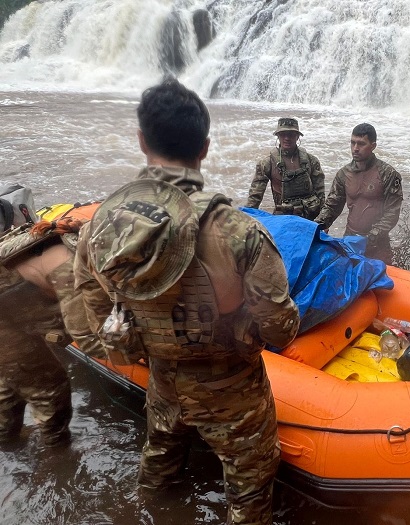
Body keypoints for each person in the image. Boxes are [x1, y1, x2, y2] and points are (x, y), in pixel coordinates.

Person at [73, 79, 300, 525]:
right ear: (206, 148)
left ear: (142, 141)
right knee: (250, 489)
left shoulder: (102, 226)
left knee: (158, 469)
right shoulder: (238, 231)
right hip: (234, 390)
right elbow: (280, 328)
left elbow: (94, 314)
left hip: (161, 381)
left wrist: (146, 347)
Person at [0, 200, 106, 447]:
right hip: (5, 320)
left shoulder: (78, 239)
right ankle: (55, 452)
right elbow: (89, 339)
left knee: (11, 377)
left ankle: (6, 441)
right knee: (49, 386)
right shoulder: (70, 266)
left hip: (11, 304)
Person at [315, 123, 403, 264]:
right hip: (350, 241)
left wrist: (370, 238)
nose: (355, 148)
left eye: (361, 144)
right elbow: (332, 206)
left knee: (381, 285)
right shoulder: (344, 174)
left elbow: (392, 213)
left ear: (373, 145)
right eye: (353, 143)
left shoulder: (388, 174)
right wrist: (316, 226)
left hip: (377, 246)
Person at [245, 117, 325, 220]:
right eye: (283, 134)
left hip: (310, 219)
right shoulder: (267, 163)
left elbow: (320, 193)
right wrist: (247, 221)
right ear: (278, 136)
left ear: (297, 136)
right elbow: (255, 197)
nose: (287, 138)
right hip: (283, 220)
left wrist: (323, 221)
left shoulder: (311, 160)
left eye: (291, 134)